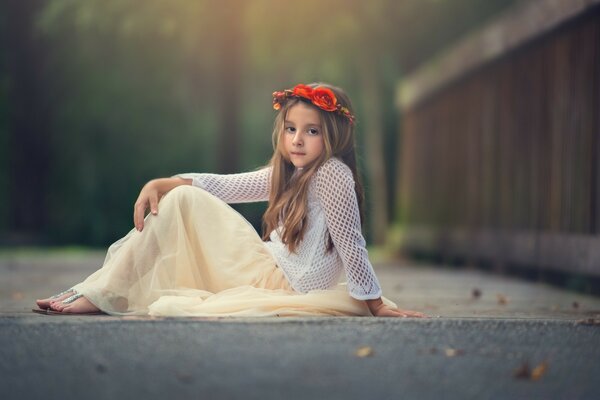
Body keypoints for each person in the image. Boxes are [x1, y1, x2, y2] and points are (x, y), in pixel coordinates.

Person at [34, 83, 426, 318]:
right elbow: (226, 186)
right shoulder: (290, 172)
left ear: (335, 135)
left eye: (312, 131)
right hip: (263, 267)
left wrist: (374, 304)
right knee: (184, 196)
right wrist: (165, 181)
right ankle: (99, 289)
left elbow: (352, 243)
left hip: (275, 281)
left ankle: (102, 293)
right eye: (291, 129)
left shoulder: (333, 175)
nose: (297, 140)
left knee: (184, 200)